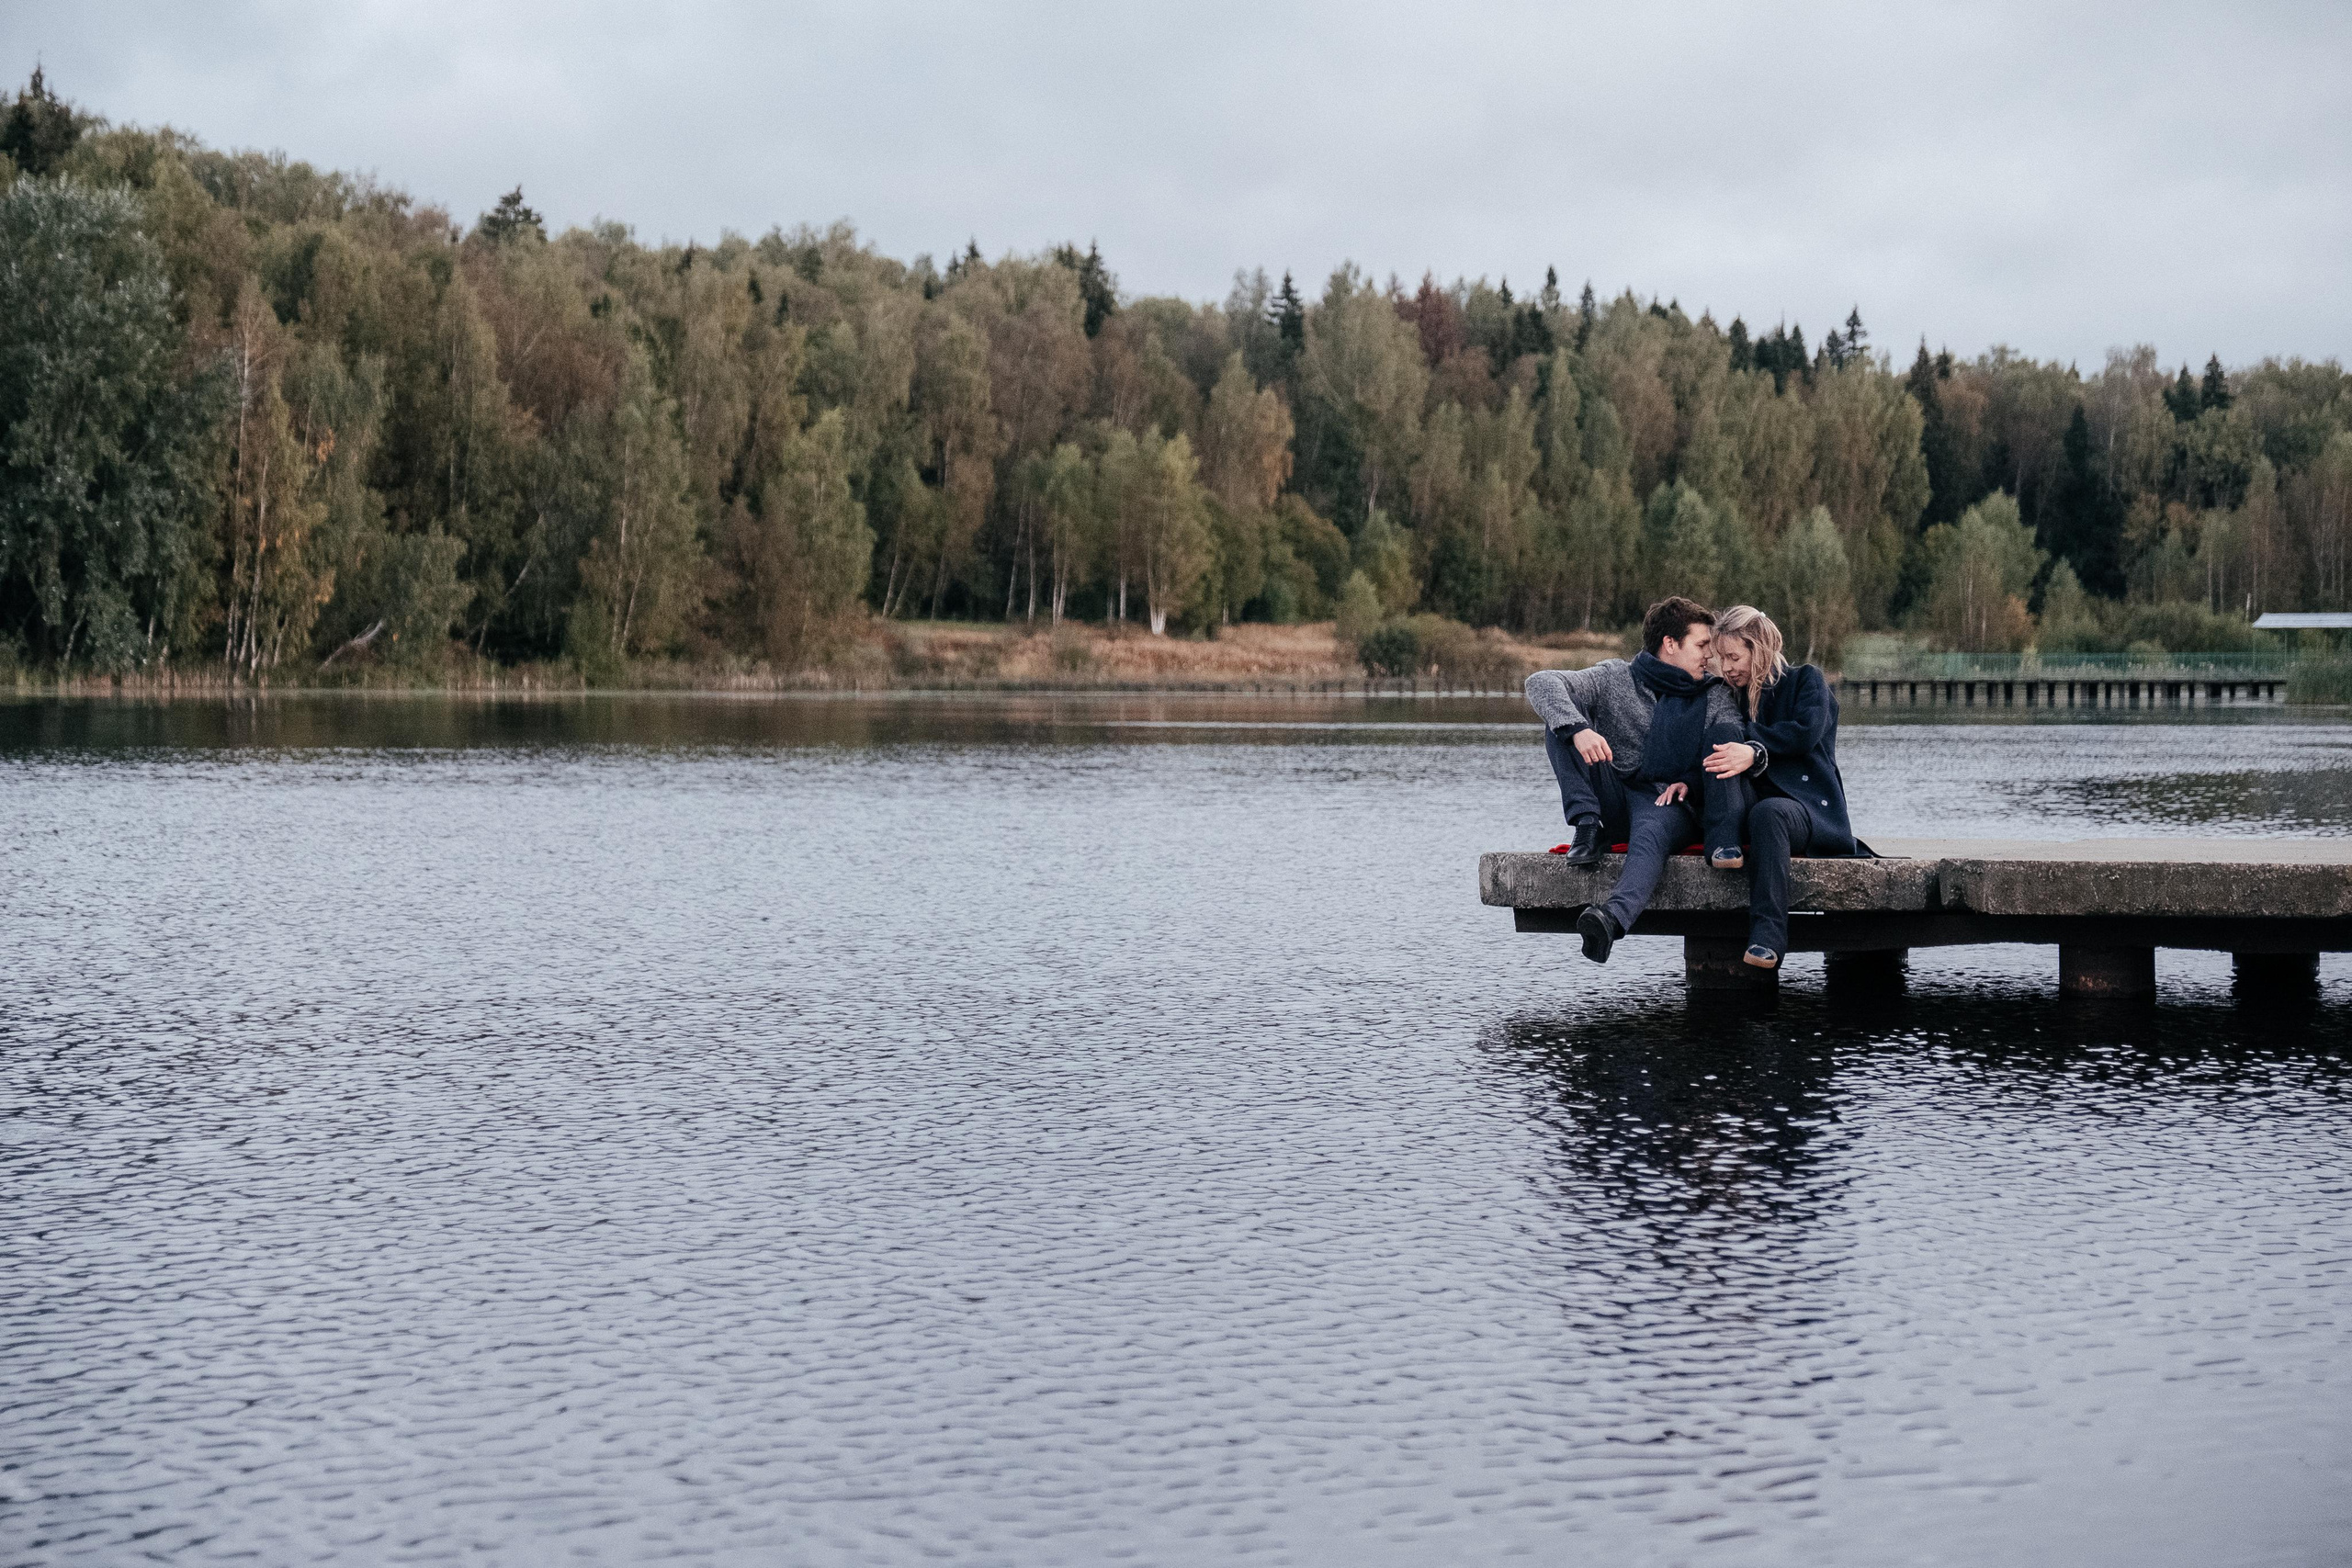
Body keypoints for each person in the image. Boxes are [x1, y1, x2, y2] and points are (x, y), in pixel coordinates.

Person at [1524, 596, 1758, 964]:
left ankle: (1610, 920)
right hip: (1613, 794)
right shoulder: (1617, 677)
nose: (1709, 657)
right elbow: (1541, 682)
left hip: (1668, 800)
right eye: (1701, 646)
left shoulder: (1714, 693)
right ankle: (1587, 825)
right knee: (1561, 726)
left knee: (1650, 835)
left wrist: (1691, 783)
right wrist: (1580, 729)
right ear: (1669, 644)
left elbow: (1731, 743)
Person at [1701, 605, 1864, 970]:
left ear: (1758, 648)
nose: (1726, 668)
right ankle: (1723, 841)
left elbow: (1805, 733)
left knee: (1769, 813)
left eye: (1734, 657)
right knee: (1721, 735)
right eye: (1720, 658)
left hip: (1803, 807)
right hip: (1743, 804)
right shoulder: (1729, 693)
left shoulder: (1807, 680)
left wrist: (1754, 751)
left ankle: (1767, 938)